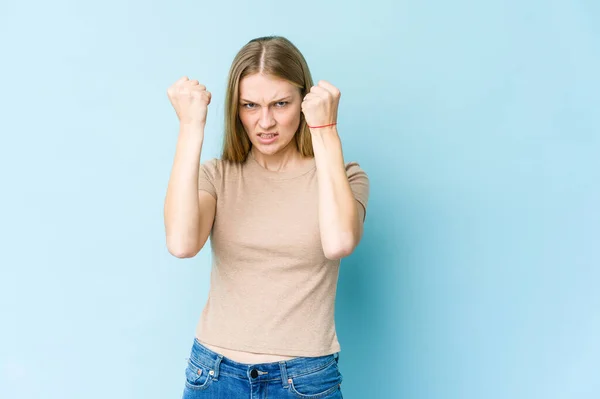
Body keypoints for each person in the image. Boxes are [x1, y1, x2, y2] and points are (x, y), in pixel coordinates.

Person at [164, 35, 369, 399]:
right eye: (250, 105)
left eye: (281, 103)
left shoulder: (345, 177)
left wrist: (325, 131)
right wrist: (190, 127)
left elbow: (339, 242)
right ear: (236, 109)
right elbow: (181, 243)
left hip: (304, 380)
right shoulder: (218, 176)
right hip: (213, 375)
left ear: (304, 103)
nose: (265, 121)